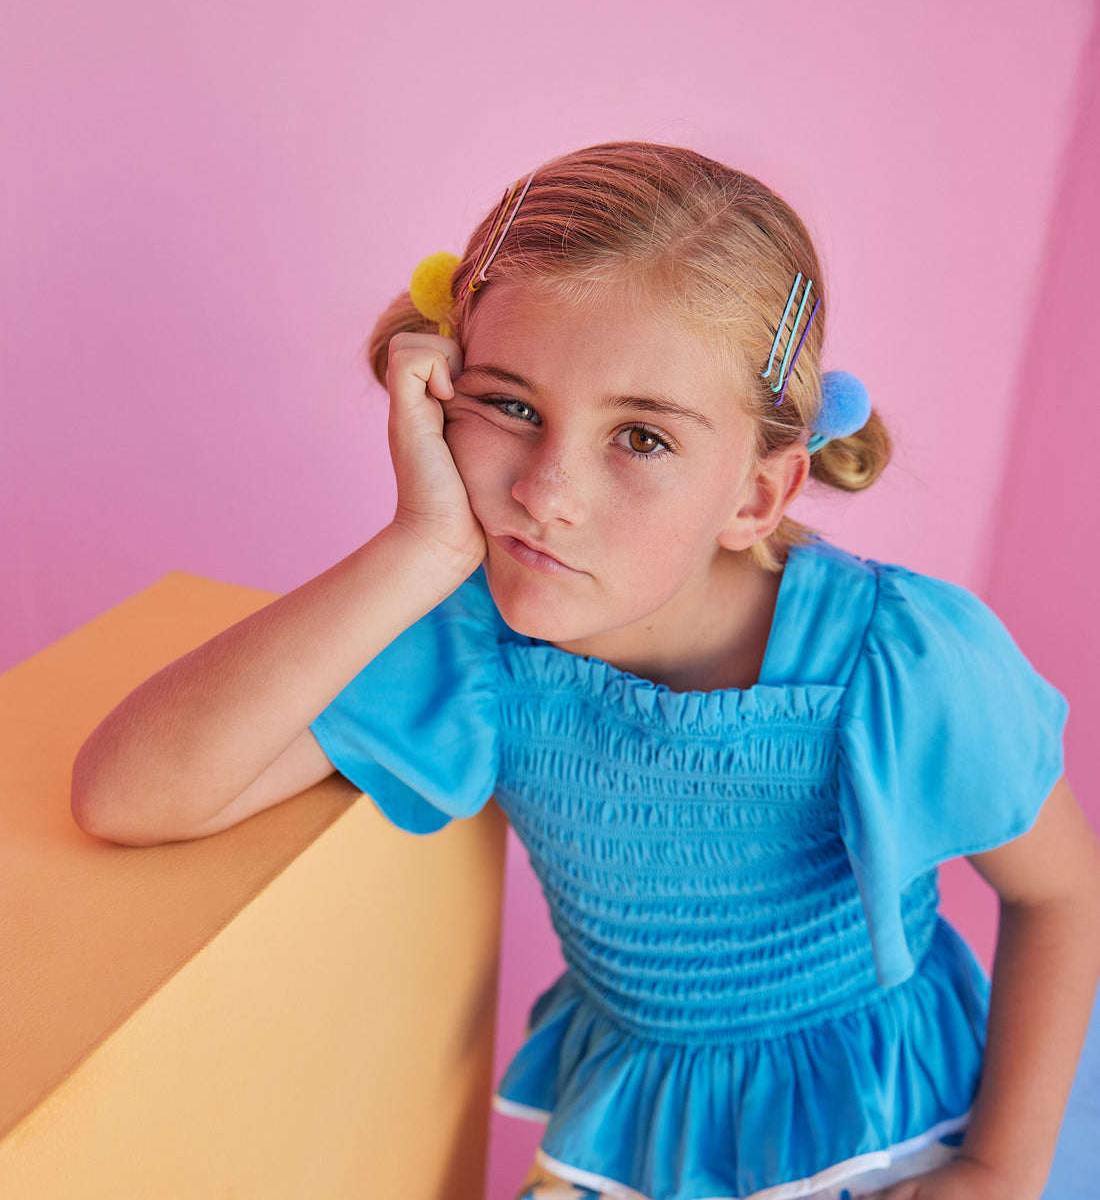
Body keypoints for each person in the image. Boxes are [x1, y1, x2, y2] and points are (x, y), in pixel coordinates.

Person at [71, 142, 1100, 1200]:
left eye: (641, 438)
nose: (547, 491)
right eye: (509, 404)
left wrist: (994, 1169)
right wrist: (419, 544)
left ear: (756, 495)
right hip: (637, 1146)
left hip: (897, 1132)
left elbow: (1063, 895)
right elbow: (129, 794)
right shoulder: (472, 646)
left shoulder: (899, 664)